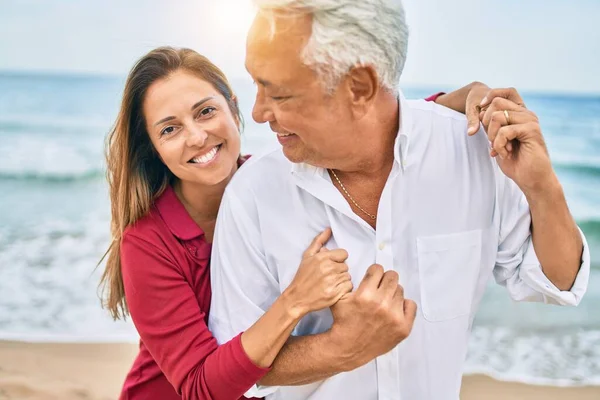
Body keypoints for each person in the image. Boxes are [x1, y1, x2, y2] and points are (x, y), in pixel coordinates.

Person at [208, 1, 591, 400]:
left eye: (280, 94)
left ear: (360, 88)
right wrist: (340, 348)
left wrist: (542, 185)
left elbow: (556, 282)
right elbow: (233, 365)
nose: (257, 113)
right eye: (255, 84)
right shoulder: (252, 194)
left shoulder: (476, 153)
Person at [99, 46, 491, 399]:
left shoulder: (272, 187)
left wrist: (442, 108)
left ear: (233, 109)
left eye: (206, 111)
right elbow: (202, 387)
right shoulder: (147, 242)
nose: (198, 136)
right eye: (170, 129)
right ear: (152, 147)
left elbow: (357, 128)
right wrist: (297, 300)